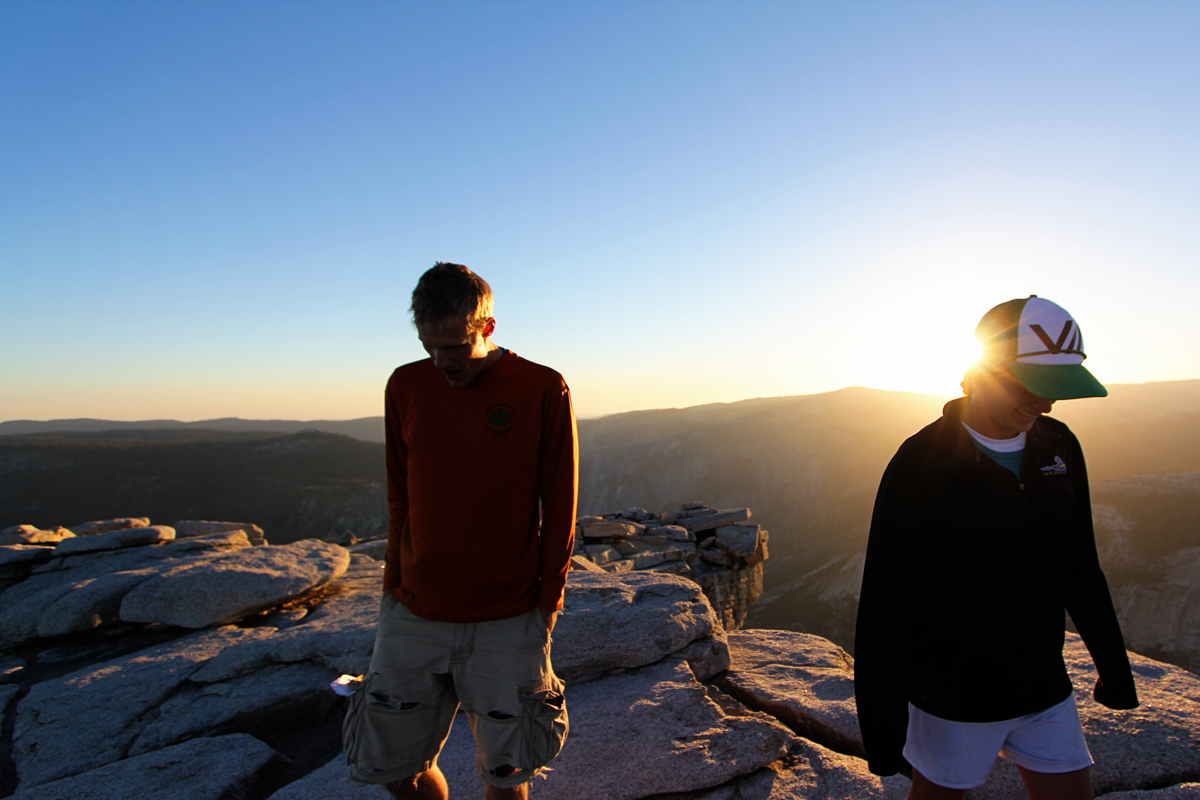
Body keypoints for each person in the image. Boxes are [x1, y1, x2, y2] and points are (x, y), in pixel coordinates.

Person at [854, 296, 1139, 800]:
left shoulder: (1059, 446)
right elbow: (886, 598)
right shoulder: (922, 462)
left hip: (1044, 685)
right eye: (1035, 387)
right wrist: (882, 729)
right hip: (955, 696)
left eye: (1058, 391)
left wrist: (1113, 670)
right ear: (986, 371)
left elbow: (1079, 566)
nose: (1046, 404)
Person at [345, 262, 578, 800]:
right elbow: (399, 495)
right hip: (413, 612)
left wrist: (546, 605)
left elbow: (560, 506)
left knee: (508, 774)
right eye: (430, 346)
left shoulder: (542, 387)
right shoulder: (405, 384)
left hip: (508, 618)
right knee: (393, 769)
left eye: (454, 347)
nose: (441, 361)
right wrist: (391, 589)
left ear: (487, 328)